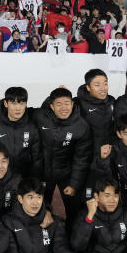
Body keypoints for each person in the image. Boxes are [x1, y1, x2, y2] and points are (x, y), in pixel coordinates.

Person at [33, 87, 92, 224]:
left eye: (67, 103)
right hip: (43, 173)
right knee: (39, 210)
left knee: (74, 212)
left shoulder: (81, 126)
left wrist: (74, 184)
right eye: (58, 104)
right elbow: (19, 114)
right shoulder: (40, 116)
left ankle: (72, 240)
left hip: (67, 174)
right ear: (52, 106)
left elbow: (81, 158)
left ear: (72, 104)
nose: (63, 108)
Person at [0, 86, 43, 179]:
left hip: (22, 179)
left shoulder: (32, 128)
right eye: (14, 103)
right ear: (6, 103)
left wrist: (34, 181)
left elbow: (37, 159)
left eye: (22, 103)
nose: (18, 108)